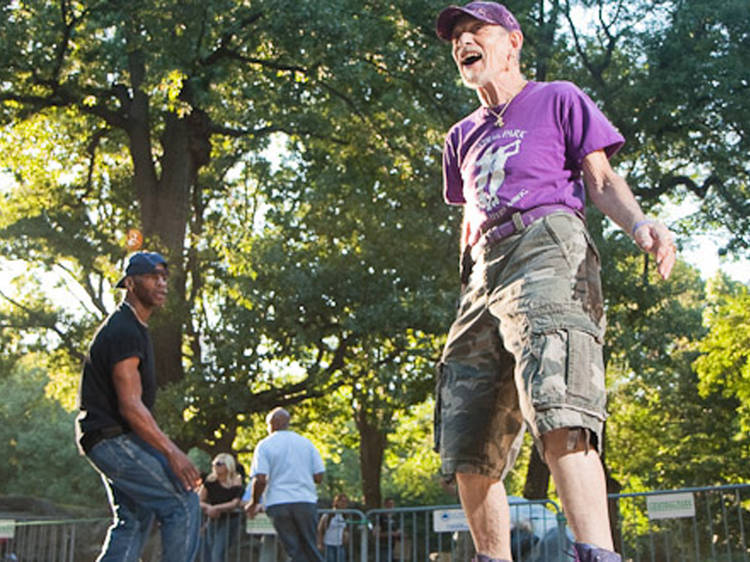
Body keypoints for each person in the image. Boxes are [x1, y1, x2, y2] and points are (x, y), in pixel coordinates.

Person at [432, 3, 677, 562]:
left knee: (556, 398)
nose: (463, 42)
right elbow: (469, 213)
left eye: (478, 32)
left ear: (512, 43)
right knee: (466, 433)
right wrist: (469, 275)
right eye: (457, 37)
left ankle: (595, 554)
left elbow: (602, 177)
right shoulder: (461, 136)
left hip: (545, 242)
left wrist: (640, 223)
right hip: (482, 270)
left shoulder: (557, 98)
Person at [75, 251, 202, 561]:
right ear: (130, 283)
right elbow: (131, 407)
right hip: (111, 438)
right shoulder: (124, 330)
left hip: (105, 438)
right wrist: (172, 453)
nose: (161, 283)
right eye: (152, 276)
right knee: (183, 503)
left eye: (164, 277)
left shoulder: (133, 328)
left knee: (134, 518)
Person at [244, 407, 326, 562]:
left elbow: (260, 478)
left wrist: (254, 502)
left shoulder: (265, 445)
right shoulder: (306, 443)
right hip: (305, 500)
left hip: (279, 502)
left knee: (294, 550)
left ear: (271, 425)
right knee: (310, 547)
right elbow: (319, 476)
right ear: (288, 423)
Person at [199, 453, 245, 562]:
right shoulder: (210, 482)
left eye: (219, 464)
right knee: (210, 549)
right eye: (214, 463)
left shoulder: (236, 481)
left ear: (228, 465)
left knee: (218, 551)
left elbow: (235, 502)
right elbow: (199, 501)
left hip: (230, 519)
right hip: (213, 519)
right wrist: (208, 508)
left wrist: (216, 508)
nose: (216, 466)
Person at [317, 493, 350, 562]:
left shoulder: (345, 516)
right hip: (329, 545)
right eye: (342, 501)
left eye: (345, 502)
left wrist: (346, 536)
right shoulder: (328, 515)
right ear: (336, 502)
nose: (344, 504)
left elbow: (345, 530)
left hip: (340, 545)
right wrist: (320, 543)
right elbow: (320, 529)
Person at [374, 497, 402, 562]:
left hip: (396, 547)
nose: (391, 506)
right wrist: (390, 534)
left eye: (392, 504)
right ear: (385, 505)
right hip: (384, 547)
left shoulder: (396, 517)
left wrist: (400, 532)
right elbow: (375, 533)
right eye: (389, 504)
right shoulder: (381, 517)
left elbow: (402, 531)